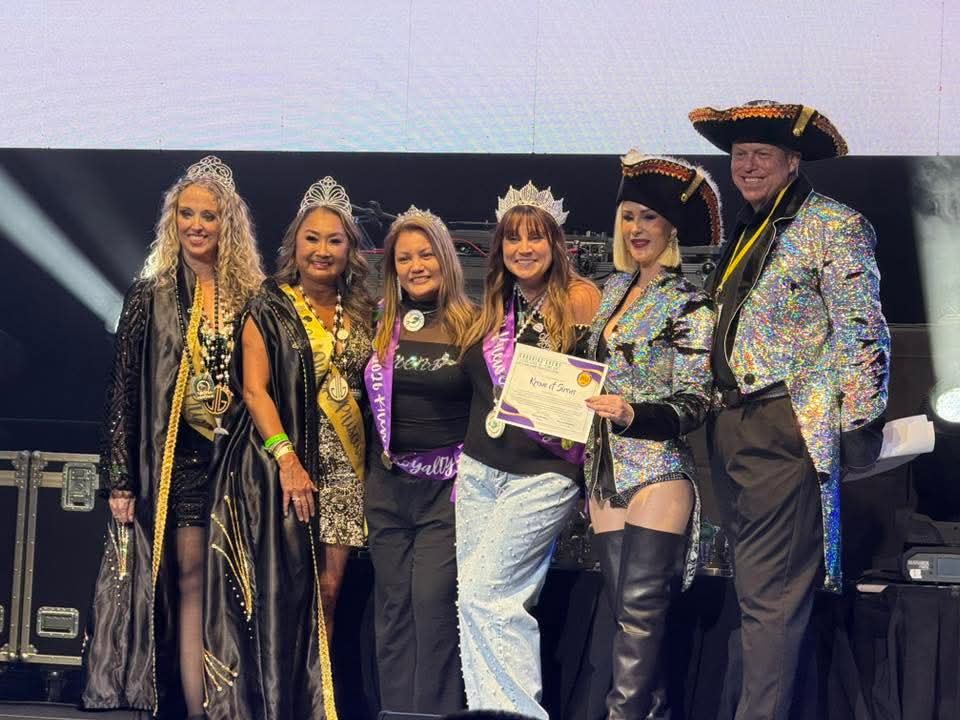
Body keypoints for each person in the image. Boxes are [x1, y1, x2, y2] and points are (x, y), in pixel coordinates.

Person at [688, 100, 890, 720]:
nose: (748, 166)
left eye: (762, 155)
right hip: (733, 425)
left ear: (793, 161)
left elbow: (862, 329)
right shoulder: (749, 229)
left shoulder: (833, 224)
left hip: (785, 424)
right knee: (754, 591)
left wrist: (856, 424)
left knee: (771, 596)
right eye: (739, 155)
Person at [82, 156, 264, 718]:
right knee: (190, 580)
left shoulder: (254, 297)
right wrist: (119, 477)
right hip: (176, 460)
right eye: (186, 213)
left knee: (233, 588)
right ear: (173, 220)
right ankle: (196, 707)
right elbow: (122, 388)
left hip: (239, 462)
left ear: (228, 223)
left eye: (208, 215)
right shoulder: (150, 294)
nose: (196, 225)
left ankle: (237, 703)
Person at [202, 176, 373, 719]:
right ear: (294, 245)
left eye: (334, 240)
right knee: (283, 593)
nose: (322, 250)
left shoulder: (365, 309)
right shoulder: (268, 304)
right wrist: (288, 460)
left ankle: (312, 705)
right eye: (312, 239)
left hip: (344, 467)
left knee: (329, 593)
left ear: (350, 248)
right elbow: (254, 391)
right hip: (282, 466)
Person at [456, 181, 601, 719]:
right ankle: (487, 711)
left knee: (488, 594)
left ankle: (520, 715)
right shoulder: (497, 305)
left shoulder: (580, 299)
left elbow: (593, 387)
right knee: (473, 599)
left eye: (535, 237)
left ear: (556, 244)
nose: (523, 248)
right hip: (479, 470)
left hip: (545, 472)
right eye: (513, 238)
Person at [583, 152, 720, 719]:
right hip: (603, 471)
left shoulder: (691, 302)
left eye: (649, 218)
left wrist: (632, 412)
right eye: (628, 217)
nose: (636, 229)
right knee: (627, 624)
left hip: (657, 469)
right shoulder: (610, 291)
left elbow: (696, 401)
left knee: (639, 620)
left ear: (672, 229)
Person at [363, 206, 475, 714]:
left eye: (426, 254)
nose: (416, 266)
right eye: (404, 258)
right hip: (387, 487)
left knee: (433, 607)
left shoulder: (475, 325)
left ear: (445, 257)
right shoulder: (379, 323)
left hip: (445, 491)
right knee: (392, 610)